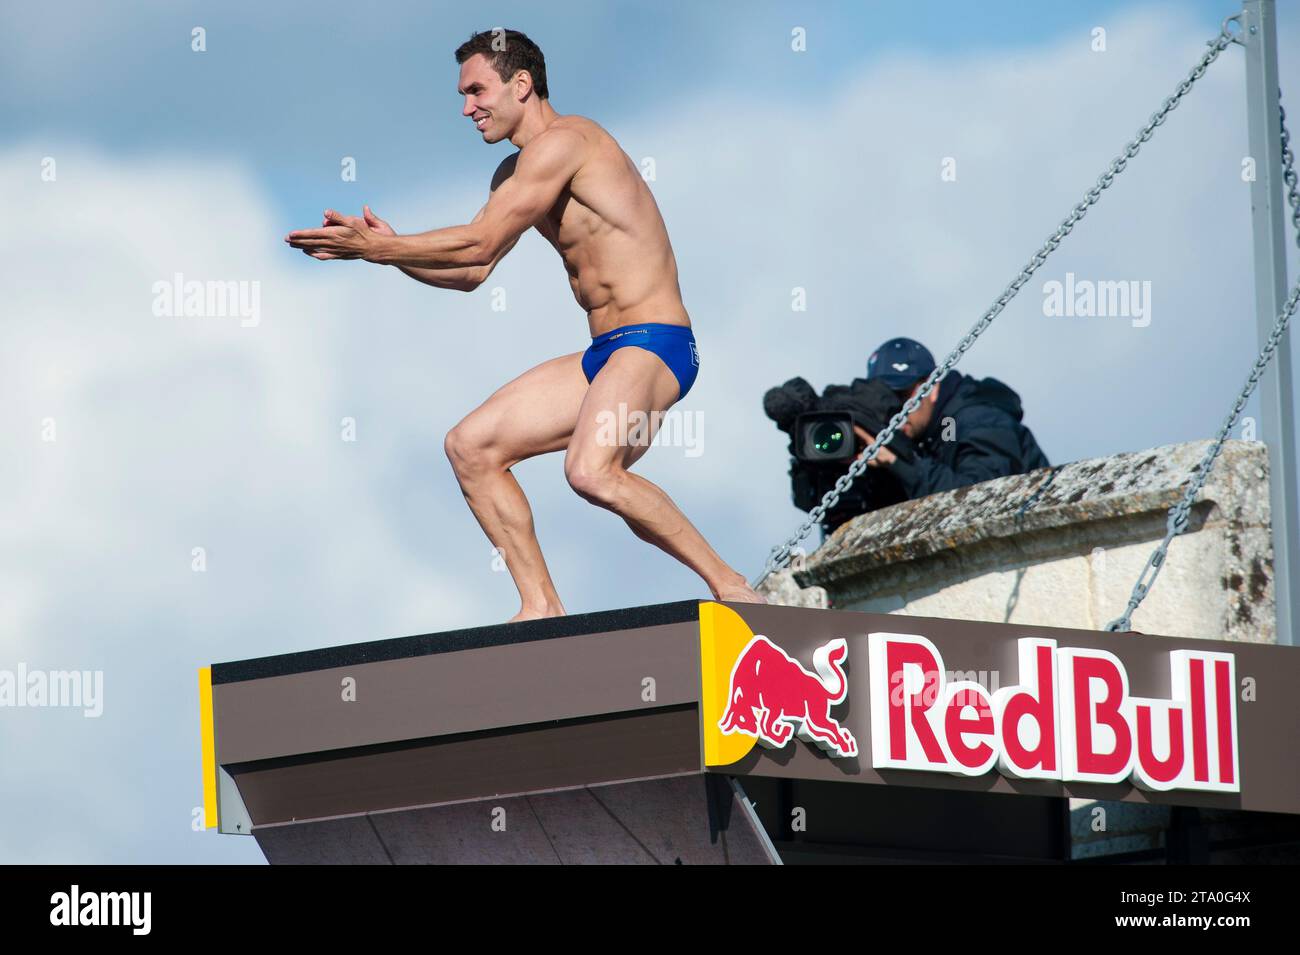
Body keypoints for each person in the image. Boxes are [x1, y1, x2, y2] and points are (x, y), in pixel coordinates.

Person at [284, 28, 765, 621]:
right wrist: (391, 251)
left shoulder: (570, 142)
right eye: (462, 96)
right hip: (606, 353)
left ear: (522, 82)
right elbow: (474, 269)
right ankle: (540, 605)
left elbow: (479, 239)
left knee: (590, 471)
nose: (467, 108)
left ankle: (732, 586)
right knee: (471, 447)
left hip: (657, 343)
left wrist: (381, 249)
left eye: (476, 90)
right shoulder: (511, 174)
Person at [852, 337, 1050, 497]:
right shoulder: (938, 429)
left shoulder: (973, 419)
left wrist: (900, 462)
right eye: (885, 399)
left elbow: (982, 497)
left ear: (933, 387)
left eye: (902, 396)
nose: (895, 409)